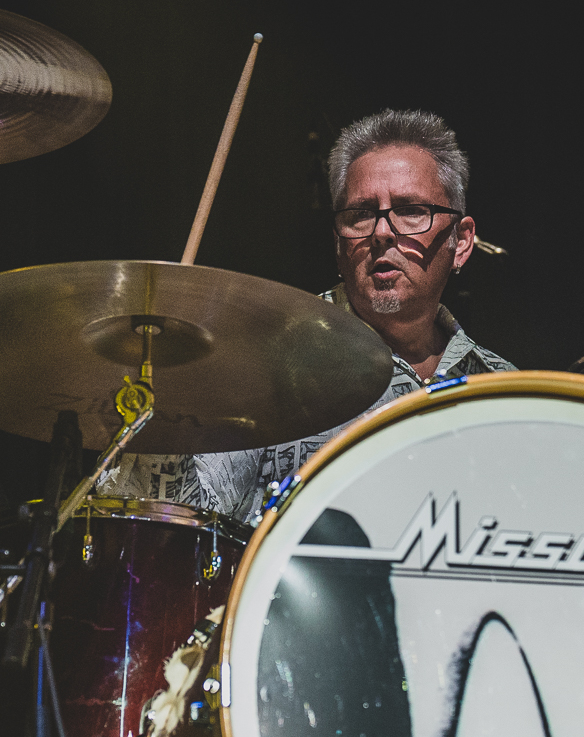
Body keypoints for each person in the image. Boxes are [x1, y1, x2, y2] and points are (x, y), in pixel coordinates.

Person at [98, 109, 515, 522]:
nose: (382, 232)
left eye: (410, 210)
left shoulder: (508, 389)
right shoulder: (269, 359)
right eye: (361, 214)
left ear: (461, 242)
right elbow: (177, 528)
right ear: (338, 243)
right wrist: (161, 407)